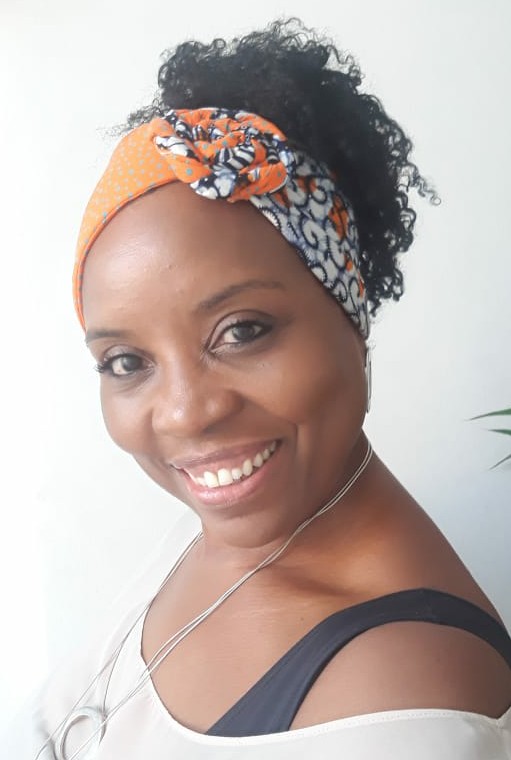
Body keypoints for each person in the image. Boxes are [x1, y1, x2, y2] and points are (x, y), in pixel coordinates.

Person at [27, 18, 511, 760]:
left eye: (242, 330)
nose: (185, 413)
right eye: (126, 361)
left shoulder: (402, 711)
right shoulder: (221, 530)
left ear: (349, 318)